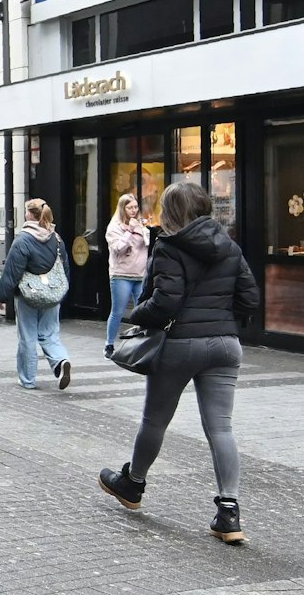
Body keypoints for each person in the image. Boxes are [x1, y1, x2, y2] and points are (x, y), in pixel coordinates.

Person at [99, 182, 261, 545]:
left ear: (172, 213)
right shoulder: (230, 246)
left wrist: (135, 314)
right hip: (225, 345)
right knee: (220, 428)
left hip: (179, 346)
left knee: (155, 420)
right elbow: (250, 298)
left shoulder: (168, 247)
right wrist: (223, 321)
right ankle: (229, 512)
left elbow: (164, 303)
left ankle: (133, 484)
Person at [0, 198, 73, 391]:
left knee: (28, 336)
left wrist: (2, 296)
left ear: (29, 215)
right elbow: (65, 269)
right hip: (52, 294)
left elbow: (12, 271)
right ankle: (60, 360)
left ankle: (27, 379)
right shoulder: (56, 238)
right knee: (49, 333)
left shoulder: (23, 239)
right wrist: (61, 292)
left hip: (28, 295)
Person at [104, 193, 149, 357]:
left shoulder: (140, 224)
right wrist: (129, 230)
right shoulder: (114, 227)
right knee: (118, 310)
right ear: (122, 208)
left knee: (142, 310)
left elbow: (146, 245)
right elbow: (118, 248)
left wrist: (142, 230)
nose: (134, 210)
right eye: (130, 207)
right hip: (121, 274)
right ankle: (109, 345)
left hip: (140, 273)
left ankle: (141, 342)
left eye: (136, 207)